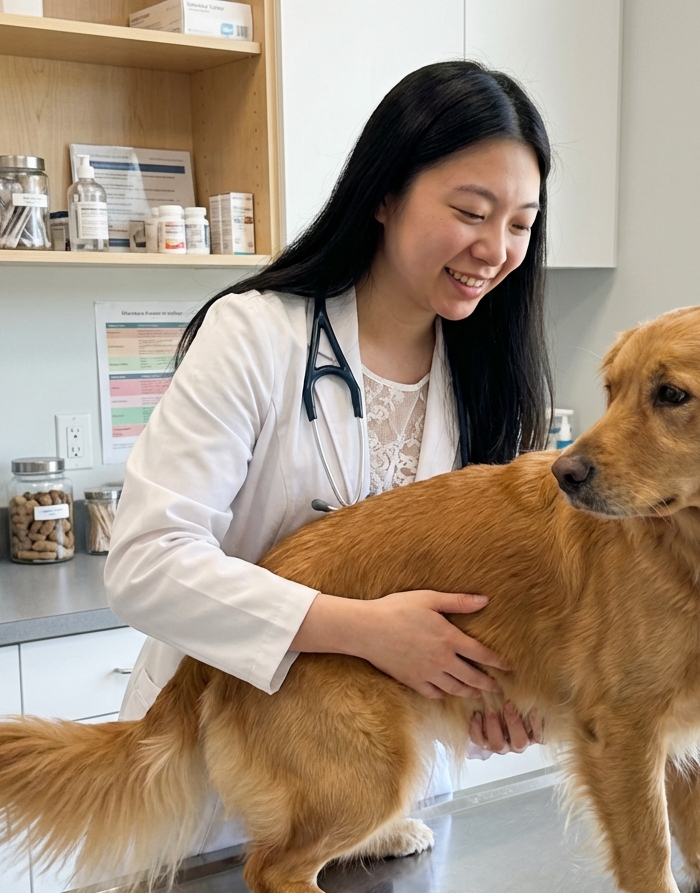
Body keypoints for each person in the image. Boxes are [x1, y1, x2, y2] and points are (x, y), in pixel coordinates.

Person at [105, 60, 553, 813]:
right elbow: (147, 564)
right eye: (472, 212)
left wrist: (494, 704)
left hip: (385, 790)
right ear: (384, 194)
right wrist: (367, 630)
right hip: (227, 763)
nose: (496, 250)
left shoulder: (488, 384)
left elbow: (468, 614)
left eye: (520, 224)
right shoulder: (255, 336)